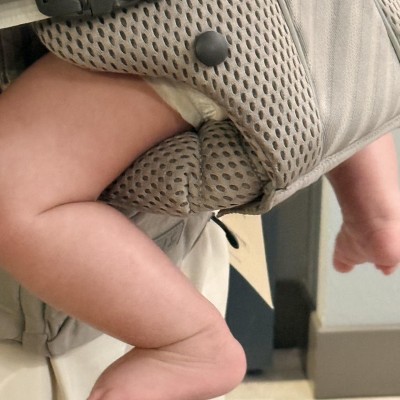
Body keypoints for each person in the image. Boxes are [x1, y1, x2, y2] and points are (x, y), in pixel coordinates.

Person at [0, 46, 399, 400]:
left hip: (171, 37)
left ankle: (190, 340)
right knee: (319, 43)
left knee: (11, 188)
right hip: (252, 35)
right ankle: (378, 211)